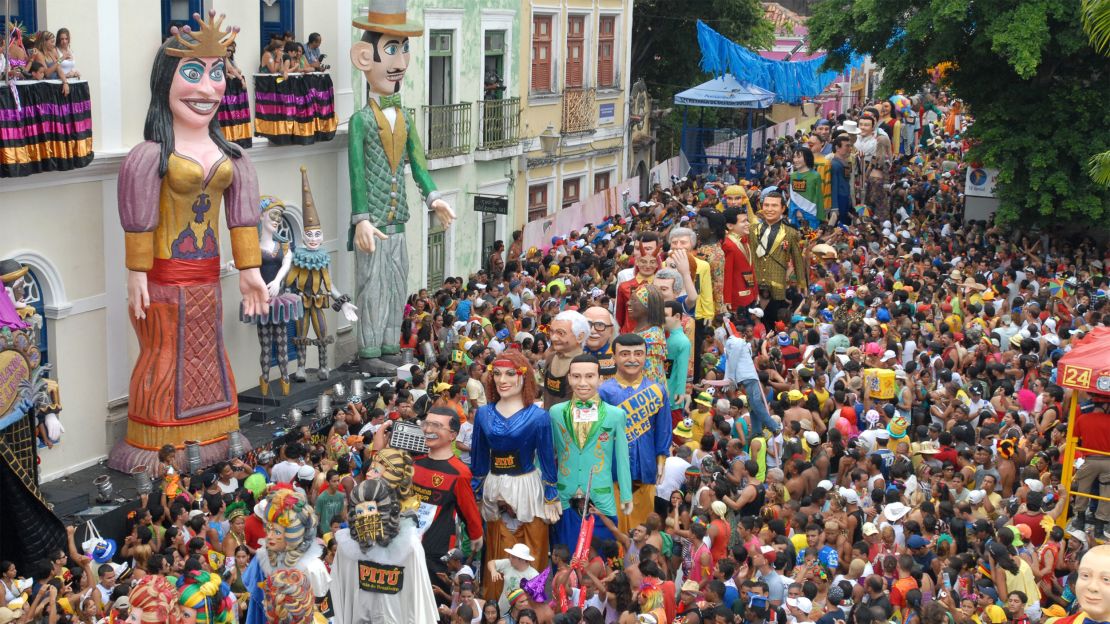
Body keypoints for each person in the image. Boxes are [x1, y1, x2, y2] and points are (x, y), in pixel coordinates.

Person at [111, 10, 267, 471]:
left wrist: (251, 271)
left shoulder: (232, 157)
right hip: (163, 282)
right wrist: (135, 273)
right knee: (165, 354)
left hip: (205, 281)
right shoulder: (150, 156)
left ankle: (215, 428)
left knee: (207, 352)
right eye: (193, 73)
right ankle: (156, 441)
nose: (207, 88)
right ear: (165, 82)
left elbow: (242, 221)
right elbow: (137, 220)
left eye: (216, 74)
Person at [348, 3, 455, 376]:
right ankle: (369, 349)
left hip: (398, 222)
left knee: (397, 285)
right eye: (391, 49)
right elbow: (356, 174)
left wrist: (434, 197)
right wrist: (360, 219)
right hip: (373, 226)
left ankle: (390, 345)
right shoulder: (360, 121)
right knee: (371, 287)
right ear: (365, 58)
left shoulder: (407, 118)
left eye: (403, 49)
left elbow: (418, 166)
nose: (400, 60)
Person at [471, 351, 560, 600]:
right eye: (497, 373)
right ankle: (496, 604)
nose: (502, 380)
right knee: (497, 550)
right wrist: (474, 494)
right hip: (493, 487)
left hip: (527, 487)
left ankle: (533, 601)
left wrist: (552, 494)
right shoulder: (484, 414)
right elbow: (478, 459)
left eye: (510, 373)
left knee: (534, 545)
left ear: (524, 377)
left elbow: (545, 457)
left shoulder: (539, 417)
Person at [550, 354, 634, 548]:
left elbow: (622, 458)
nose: (583, 383)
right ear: (569, 378)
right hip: (564, 497)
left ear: (600, 378)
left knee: (602, 557)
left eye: (589, 376)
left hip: (601, 497)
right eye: (576, 376)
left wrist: (626, 495)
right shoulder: (556, 413)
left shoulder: (615, 415)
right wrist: (546, 495)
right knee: (564, 558)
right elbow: (547, 455)